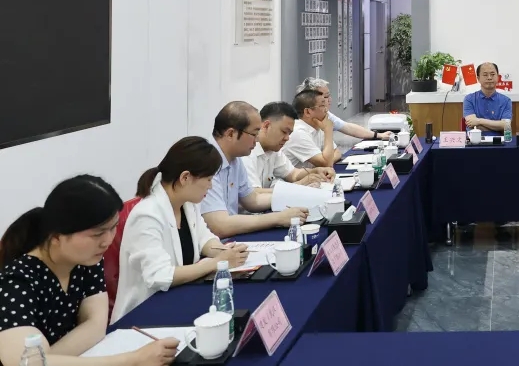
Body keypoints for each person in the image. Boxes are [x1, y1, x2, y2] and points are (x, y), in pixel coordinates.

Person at [0, 176, 178, 366]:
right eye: (97, 234)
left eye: (113, 228)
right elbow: (25, 363)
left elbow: (96, 325)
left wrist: (49, 359)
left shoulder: (86, 260)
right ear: (56, 236)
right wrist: (134, 360)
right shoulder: (16, 282)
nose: (107, 241)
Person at [112, 137, 249, 323]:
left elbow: (204, 238)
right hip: (144, 314)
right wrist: (217, 262)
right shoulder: (147, 215)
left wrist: (224, 251)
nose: (210, 186)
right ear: (185, 178)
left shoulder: (187, 204)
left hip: (178, 299)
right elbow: (160, 276)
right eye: (208, 179)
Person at [201, 101, 308, 238]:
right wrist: (278, 218)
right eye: (253, 134)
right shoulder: (205, 161)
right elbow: (219, 226)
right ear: (231, 134)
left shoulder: (235, 160)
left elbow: (253, 200)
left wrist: (295, 196)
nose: (257, 140)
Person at [244, 101, 335, 190]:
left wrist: (316, 171)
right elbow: (254, 195)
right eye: (284, 132)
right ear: (266, 126)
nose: (287, 138)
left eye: (289, 133)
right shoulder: (246, 152)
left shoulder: (274, 150)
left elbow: (293, 174)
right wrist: (299, 184)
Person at [297, 78, 391, 141]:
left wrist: (378, 135)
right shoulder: (299, 131)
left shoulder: (325, 115)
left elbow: (347, 127)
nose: (330, 99)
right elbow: (324, 161)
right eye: (325, 97)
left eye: (329, 95)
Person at [281, 90, 341, 169]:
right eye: (322, 106)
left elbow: (337, 152)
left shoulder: (317, 126)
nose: (326, 110)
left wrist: (329, 161)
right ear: (308, 112)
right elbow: (326, 163)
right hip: (295, 177)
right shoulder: (298, 132)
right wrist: (328, 130)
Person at [463, 62, 513, 134]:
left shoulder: (506, 101)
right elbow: (471, 124)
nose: (489, 78)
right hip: (475, 139)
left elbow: (506, 126)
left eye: (492, 74)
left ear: (498, 77)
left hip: (498, 140)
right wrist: (498, 127)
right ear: (478, 78)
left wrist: (479, 121)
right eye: (485, 75)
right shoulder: (469, 99)